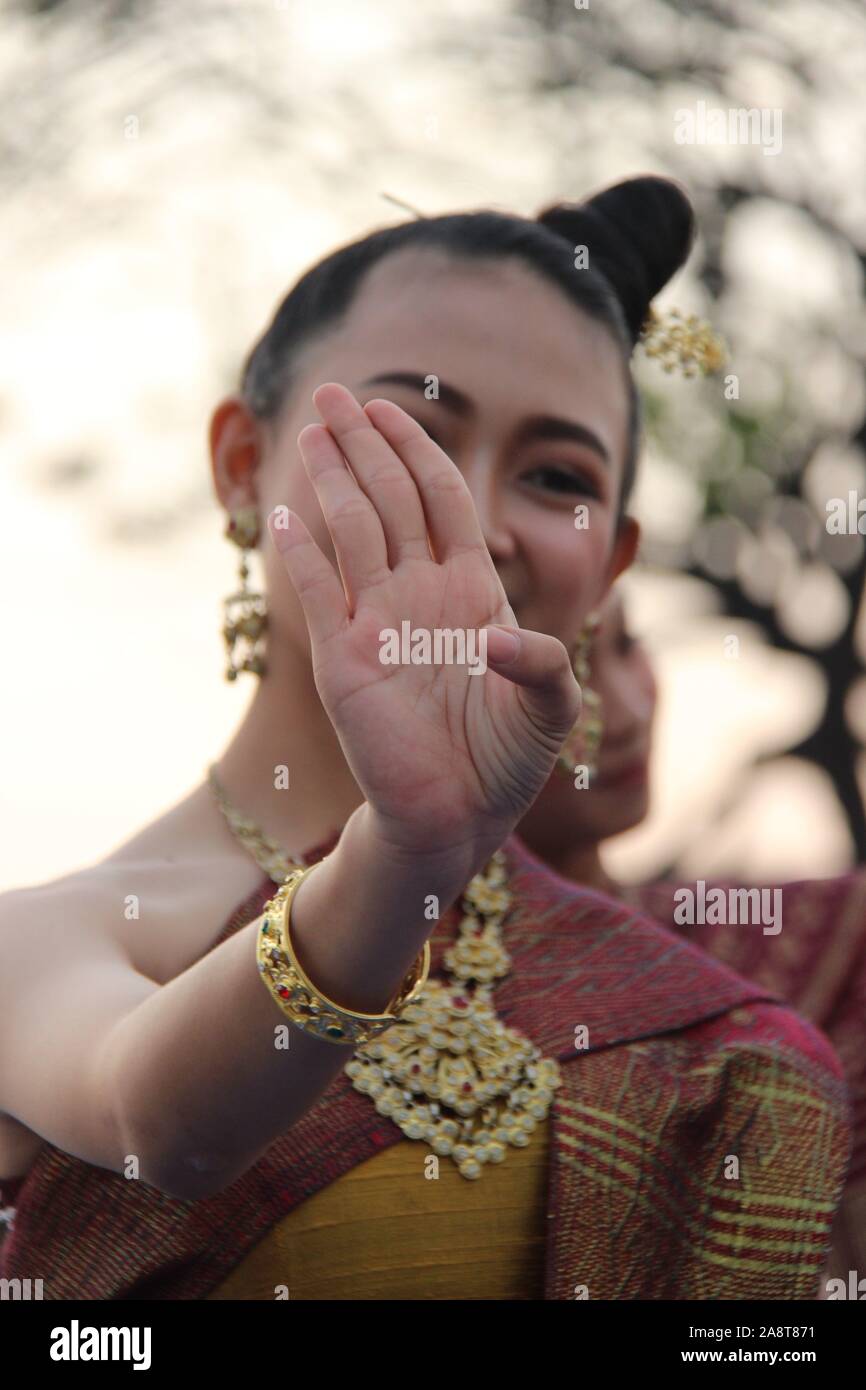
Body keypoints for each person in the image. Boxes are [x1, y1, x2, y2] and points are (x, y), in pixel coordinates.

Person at [0, 177, 850, 1301]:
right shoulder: (61, 939)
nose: (482, 521)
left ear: (612, 566)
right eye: (411, 434)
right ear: (241, 466)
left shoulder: (670, 994)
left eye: (556, 476)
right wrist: (402, 858)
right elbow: (161, 1129)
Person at [518, 587, 866, 1286]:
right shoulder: (376, 987)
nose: (628, 711)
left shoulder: (827, 941)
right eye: (567, 675)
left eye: (624, 645)